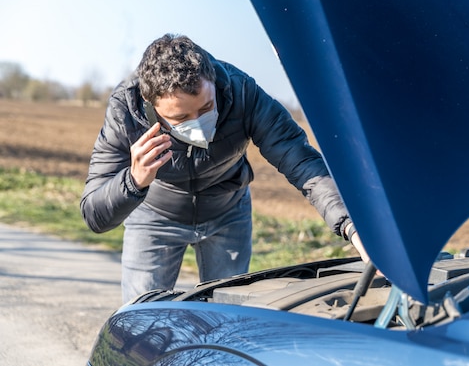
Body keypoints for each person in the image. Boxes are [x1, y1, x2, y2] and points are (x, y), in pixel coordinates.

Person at [80, 33, 367, 303]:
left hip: (228, 214)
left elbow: (300, 160)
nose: (199, 124)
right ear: (151, 106)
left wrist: (353, 226)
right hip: (155, 217)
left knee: (229, 318)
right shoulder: (125, 110)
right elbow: (94, 215)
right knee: (141, 320)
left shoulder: (242, 92)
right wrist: (133, 181)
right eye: (181, 117)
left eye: (206, 108)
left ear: (213, 82)